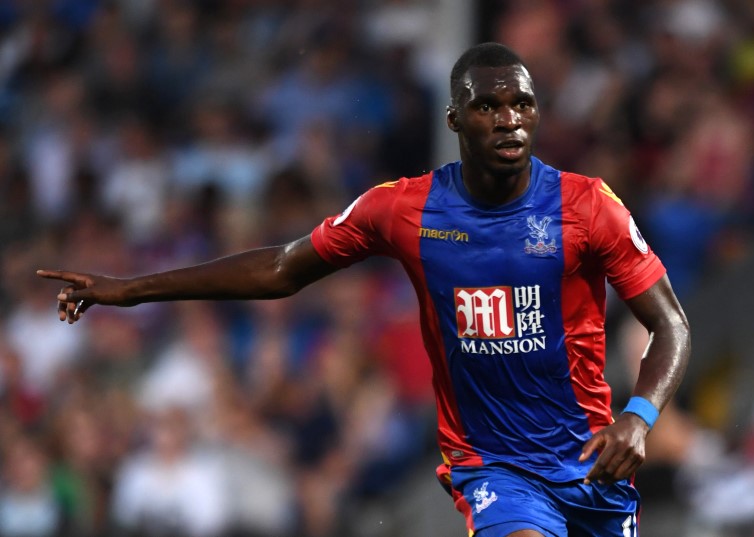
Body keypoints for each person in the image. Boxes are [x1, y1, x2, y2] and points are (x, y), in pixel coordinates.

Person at [38, 42, 691, 537]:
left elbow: (671, 323)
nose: (509, 120)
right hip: (494, 466)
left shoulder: (588, 206)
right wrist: (132, 289)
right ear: (455, 119)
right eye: (488, 106)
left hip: (591, 464)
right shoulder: (403, 209)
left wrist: (641, 414)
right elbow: (281, 268)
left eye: (521, 103)